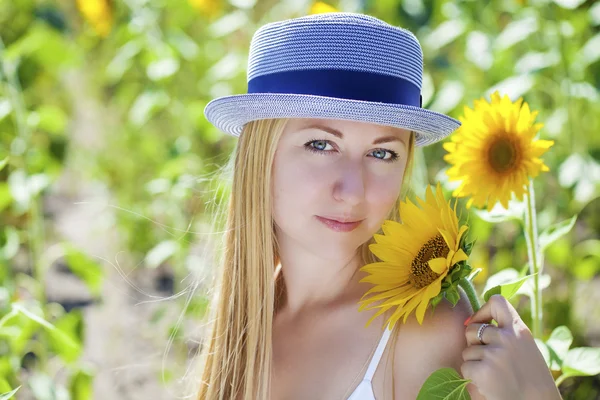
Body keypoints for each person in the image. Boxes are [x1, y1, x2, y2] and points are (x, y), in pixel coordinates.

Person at [193, 12, 562, 400]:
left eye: (382, 153)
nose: (353, 192)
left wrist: (537, 393)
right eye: (321, 144)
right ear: (259, 156)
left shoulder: (422, 332)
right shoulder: (245, 321)